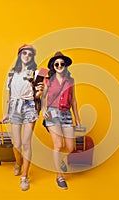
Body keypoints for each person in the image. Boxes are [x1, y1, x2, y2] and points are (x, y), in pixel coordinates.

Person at [0, 44, 43, 191]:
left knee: (26, 143)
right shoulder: (12, 73)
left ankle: (24, 177)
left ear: (32, 58)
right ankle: (18, 162)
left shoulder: (36, 73)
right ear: (19, 55)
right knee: (16, 144)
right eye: (24, 53)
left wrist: (39, 92)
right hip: (14, 107)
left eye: (30, 54)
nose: (27, 56)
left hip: (29, 106)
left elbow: (38, 96)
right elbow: (10, 96)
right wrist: (6, 113)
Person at [41, 51, 81, 189]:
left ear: (65, 65)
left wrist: (78, 119)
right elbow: (43, 97)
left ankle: (61, 161)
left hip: (67, 114)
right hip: (52, 113)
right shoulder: (47, 80)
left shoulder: (71, 81)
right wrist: (43, 110)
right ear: (53, 65)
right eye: (56, 63)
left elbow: (74, 101)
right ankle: (59, 176)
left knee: (70, 147)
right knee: (58, 146)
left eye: (61, 63)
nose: (59, 65)